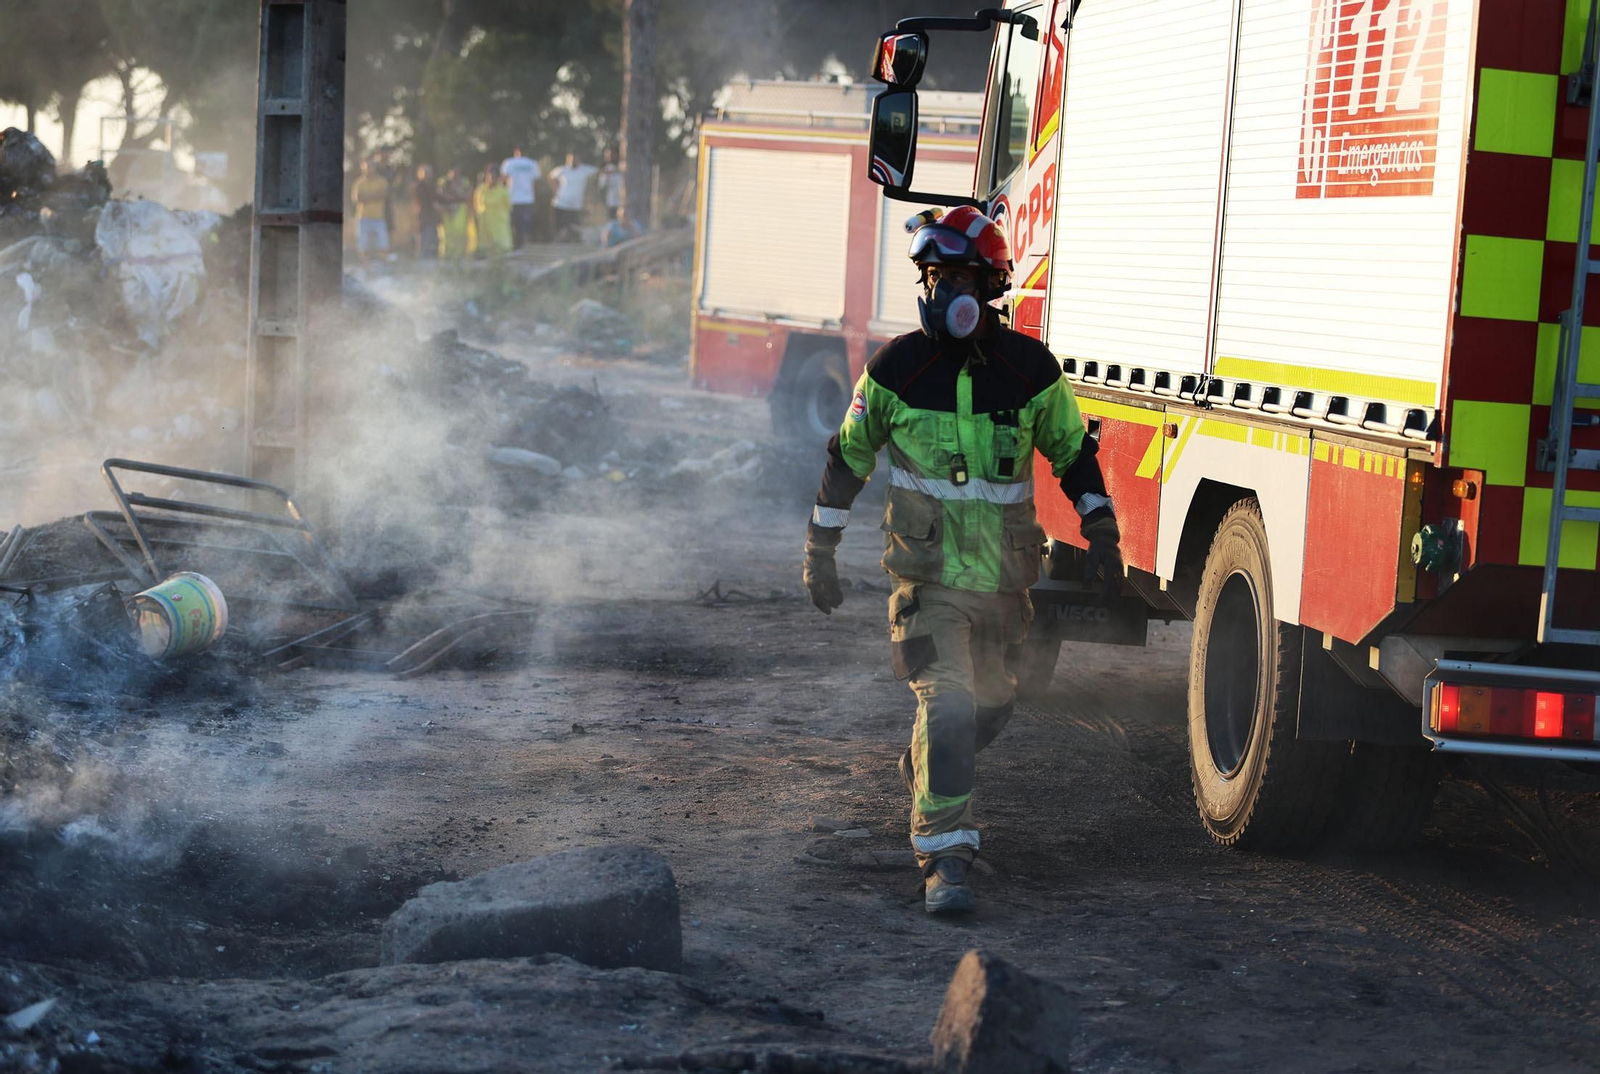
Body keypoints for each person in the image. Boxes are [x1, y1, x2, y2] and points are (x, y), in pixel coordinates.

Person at [801, 206, 1122, 915]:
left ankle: (928, 767)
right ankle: (946, 858)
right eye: (934, 277)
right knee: (946, 707)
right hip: (929, 583)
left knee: (992, 704)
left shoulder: (1030, 372)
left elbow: (1073, 453)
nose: (944, 293)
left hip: (1005, 589)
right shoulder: (897, 371)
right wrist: (820, 547)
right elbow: (846, 458)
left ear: (991, 286)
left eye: (959, 278)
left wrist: (1102, 531)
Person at [548, 151, 597, 242]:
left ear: (579, 160)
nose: (572, 161)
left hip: (576, 205)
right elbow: (551, 176)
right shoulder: (562, 170)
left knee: (576, 228)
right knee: (560, 228)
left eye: (575, 159)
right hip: (561, 203)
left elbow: (599, 171)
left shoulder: (584, 169)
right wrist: (555, 191)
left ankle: (574, 245)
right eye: (570, 159)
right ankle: (557, 245)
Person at [350, 158, 390, 267]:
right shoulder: (358, 183)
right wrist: (374, 195)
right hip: (362, 217)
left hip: (379, 217)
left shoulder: (382, 181)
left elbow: (383, 195)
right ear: (363, 169)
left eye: (371, 167)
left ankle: (384, 265)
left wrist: (366, 197)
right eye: (367, 167)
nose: (369, 170)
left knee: (383, 242)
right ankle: (366, 266)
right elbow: (357, 199)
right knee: (363, 243)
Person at [501, 146, 541, 249]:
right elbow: (504, 180)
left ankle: (521, 246)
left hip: (521, 198)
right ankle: (517, 245)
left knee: (521, 224)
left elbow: (535, 182)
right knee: (518, 223)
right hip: (517, 198)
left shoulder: (530, 163)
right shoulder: (511, 162)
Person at [473, 164, 513, 256]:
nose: (491, 178)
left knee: (501, 249)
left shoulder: (503, 191)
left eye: (494, 175)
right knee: (485, 251)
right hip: (484, 224)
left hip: (499, 224)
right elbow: (476, 204)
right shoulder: (480, 190)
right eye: (489, 175)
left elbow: (508, 206)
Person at [437, 166, 473, 261]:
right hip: (446, 208)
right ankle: (446, 255)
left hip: (460, 208)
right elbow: (441, 194)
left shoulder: (464, 182)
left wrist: (456, 192)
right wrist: (452, 197)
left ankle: (459, 255)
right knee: (446, 234)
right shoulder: (443, 181)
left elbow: (467, 195)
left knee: (460, 232)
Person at [413, 165, 439, 260]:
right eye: (425, 172)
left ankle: (430, 259)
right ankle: (422, 261)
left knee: (432, 240)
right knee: (424, 240)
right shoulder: (419, 187)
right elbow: (421, 203)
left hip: (431, 218)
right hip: (423, 218)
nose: (428, 174)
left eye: (429, 172)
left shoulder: (432, 186)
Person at [600, 147, 625, 215]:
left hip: (624, 199)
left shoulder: (623, 165)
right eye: (607, 155)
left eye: (611, 154)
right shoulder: (605, 168)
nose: (609, 156)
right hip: (612, 200)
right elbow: (602, 185)